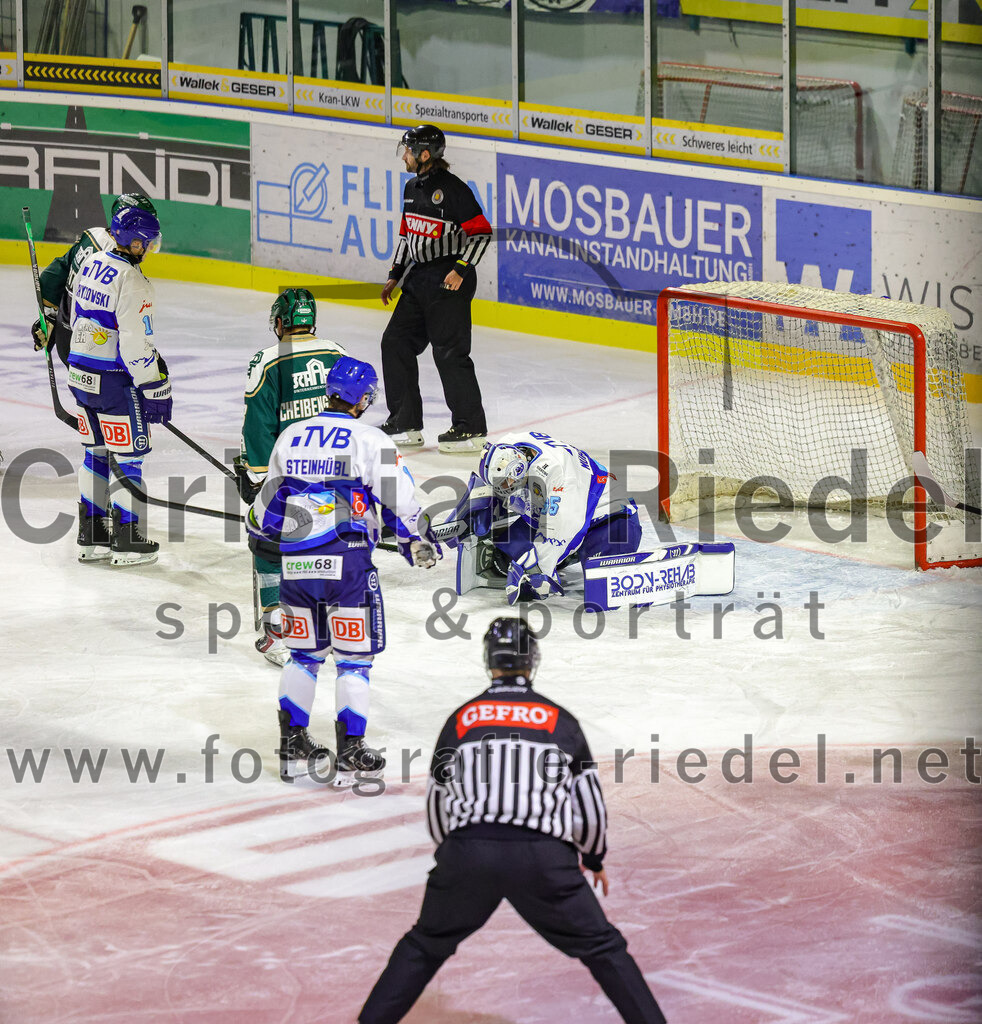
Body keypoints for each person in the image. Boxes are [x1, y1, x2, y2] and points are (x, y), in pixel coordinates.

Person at [358, 617, 667, 1024]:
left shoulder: (461, 720)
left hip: (467, 852)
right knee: (603, 948)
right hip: (542, 859)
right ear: (532, 661)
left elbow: (437, 802)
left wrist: (457, 854)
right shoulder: (560, 721)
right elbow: (589, 807)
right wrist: (592, 859)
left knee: (425, 944)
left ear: (490, 662)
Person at [246, 356, 442, 785]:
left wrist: (264, 538)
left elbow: (264, 511)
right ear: (365, 399)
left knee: (304, 655)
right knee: (354, 662)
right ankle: (351, 748)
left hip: (297, 566)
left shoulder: (291, 435)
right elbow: (401, 502)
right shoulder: (371, 440)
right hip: (347, 564)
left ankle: (292, 741)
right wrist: (418, 542)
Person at [235, 287, 349, 667]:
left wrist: (256, 475)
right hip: (337, 476)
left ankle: (275, 629)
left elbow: (260, 423)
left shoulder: (268, 361)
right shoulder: (338, 353)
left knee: (267, 539)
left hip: (290, 477)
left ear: (281, 323)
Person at [67, 204, 171, 567]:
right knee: (129, 455)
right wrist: (153, 387)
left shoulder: (92, 263)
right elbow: (134, 345)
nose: (150, 247)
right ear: (136, 242)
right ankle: (126, 538)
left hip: (79, 373)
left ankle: (91, 534)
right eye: (148, 241)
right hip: (112, 381)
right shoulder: (134, 281)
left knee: (94, 452)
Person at [379, 124, 492, 455]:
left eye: (408, 150)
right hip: (419, 278)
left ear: (424, 155)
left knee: (449, 354)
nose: (404, 155)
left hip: (448, 279)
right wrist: (395, 274)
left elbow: (481, 232)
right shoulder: (412, 187)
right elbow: (406, 234)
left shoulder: (454, 189)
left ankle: (471, 429)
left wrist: (460, 269)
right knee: (395, 342)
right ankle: (405, 423)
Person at [455, 430, 642, 602]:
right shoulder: (508, 448)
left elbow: (560, 532)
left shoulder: (558, 473)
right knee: (509, 545)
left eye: (506, 483)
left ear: (518, 470)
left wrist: (538, 575)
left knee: (602, 588)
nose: (505, 488)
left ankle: (580, 553)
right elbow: (496, 470)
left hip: (611, 517)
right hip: (568, 505)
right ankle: (568, 555)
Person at [33, 193, 158, 366]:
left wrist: (50, 317)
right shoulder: (120, 261)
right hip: (91, 346)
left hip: (65, 332)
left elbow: (57, 272)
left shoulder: (93, 234)